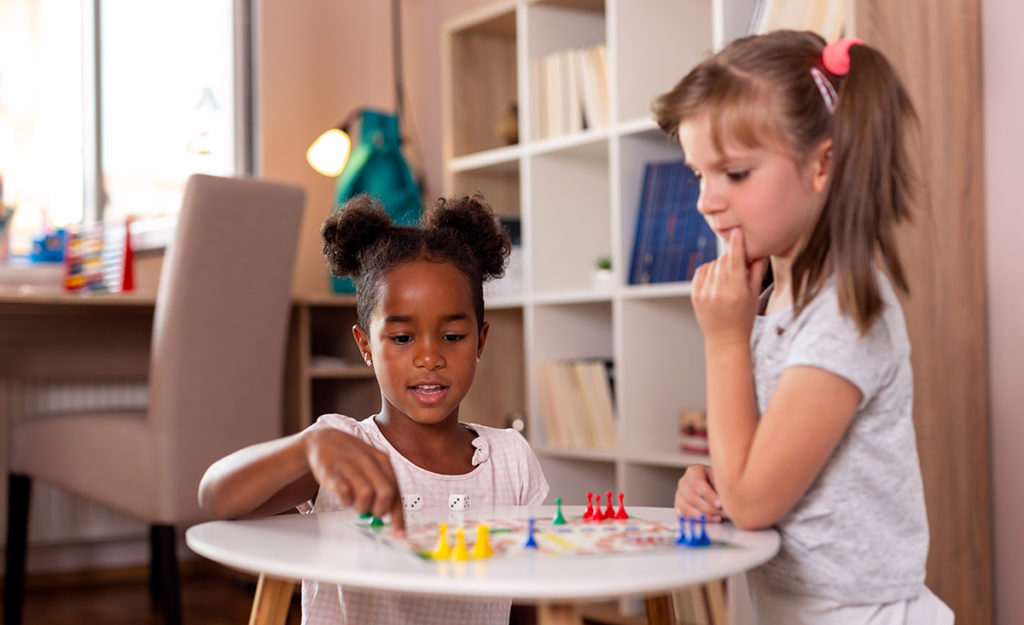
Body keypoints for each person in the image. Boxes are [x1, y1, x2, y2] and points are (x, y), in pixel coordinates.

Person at [652, 31, 953, 624]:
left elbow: (757, 501)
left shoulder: (843, 310)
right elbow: (764, 471)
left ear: (823, 164)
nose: (706, 202)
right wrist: (716, 482)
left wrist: (724, 341)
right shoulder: (772, 300)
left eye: (735, 173)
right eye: (697, 175)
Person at [198, 193, 549, 625]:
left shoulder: (511, 459)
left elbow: (531, 595)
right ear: (365, 346)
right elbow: (216, 497)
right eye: (402, 338)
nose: (429, 357)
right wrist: (307, 446)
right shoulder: (341, 451)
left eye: (453, 336)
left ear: (480, 340)